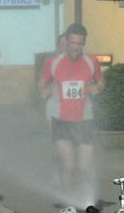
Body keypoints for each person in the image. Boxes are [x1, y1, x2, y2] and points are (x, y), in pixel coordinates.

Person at [38, 22, 104, 199]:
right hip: (61, 120)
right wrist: (44, 91)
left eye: (79, 44)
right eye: (73, 43)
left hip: (85, 119)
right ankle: (69, 203)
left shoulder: (91, 62)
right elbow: (42, 83)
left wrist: (95, 89)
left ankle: (86, 198)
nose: (76, 47)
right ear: (66, 42)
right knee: (68, 165)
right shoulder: (53, 63)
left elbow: (100, 82)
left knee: (85, 167)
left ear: (84, 43)